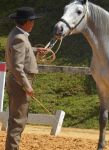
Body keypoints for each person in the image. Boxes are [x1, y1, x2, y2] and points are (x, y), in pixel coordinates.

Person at [5, 7, 47, 150]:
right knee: (18, 122)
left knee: (16, 120)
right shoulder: (19, 38)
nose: (33, 24)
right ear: (26, 22)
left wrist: (35, 50)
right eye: (32, 21)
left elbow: (21, 53)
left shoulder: (17, 34)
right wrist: (27, 85)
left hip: (16, 82)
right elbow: (17, 67)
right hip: (19, 83)